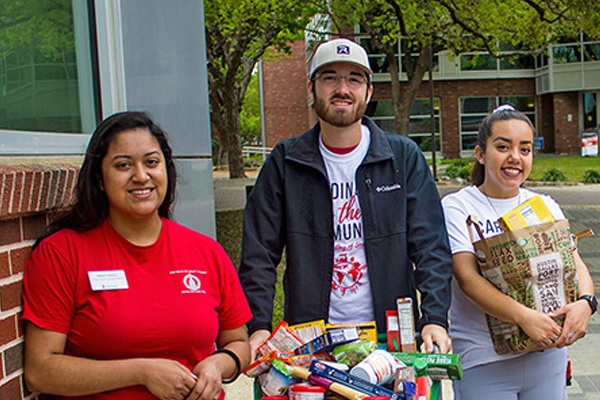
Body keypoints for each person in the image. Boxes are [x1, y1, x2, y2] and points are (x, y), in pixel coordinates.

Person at [239, 38, 453, 358]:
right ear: (311, 90)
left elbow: (431, 248)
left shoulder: (402, 158)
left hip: (389, 338)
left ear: (368, 92)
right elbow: (258, 254)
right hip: (311, 340)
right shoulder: (285, 162)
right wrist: (258, 327)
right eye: (330, 78)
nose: (342, 88)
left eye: (354, 78)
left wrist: (434, 319)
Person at [22, 111, 252, 400]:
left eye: (152, 162)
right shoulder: (61, 253)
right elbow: (40, 371)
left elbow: (238, 341)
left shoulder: (206, 252)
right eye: (123, 165)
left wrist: (220, 364)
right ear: (99, 179)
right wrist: (141, 372)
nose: (141, 176)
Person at [441, 104, 596, 400]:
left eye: (525, 149)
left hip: (548, 354)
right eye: (503, 146)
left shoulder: (545, 205)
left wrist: (586, 303)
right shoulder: (458, 206)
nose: (515, 157)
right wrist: (524, 317)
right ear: (480, 153)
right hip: (483, 359)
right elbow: (467, 278)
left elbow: (575, 266)